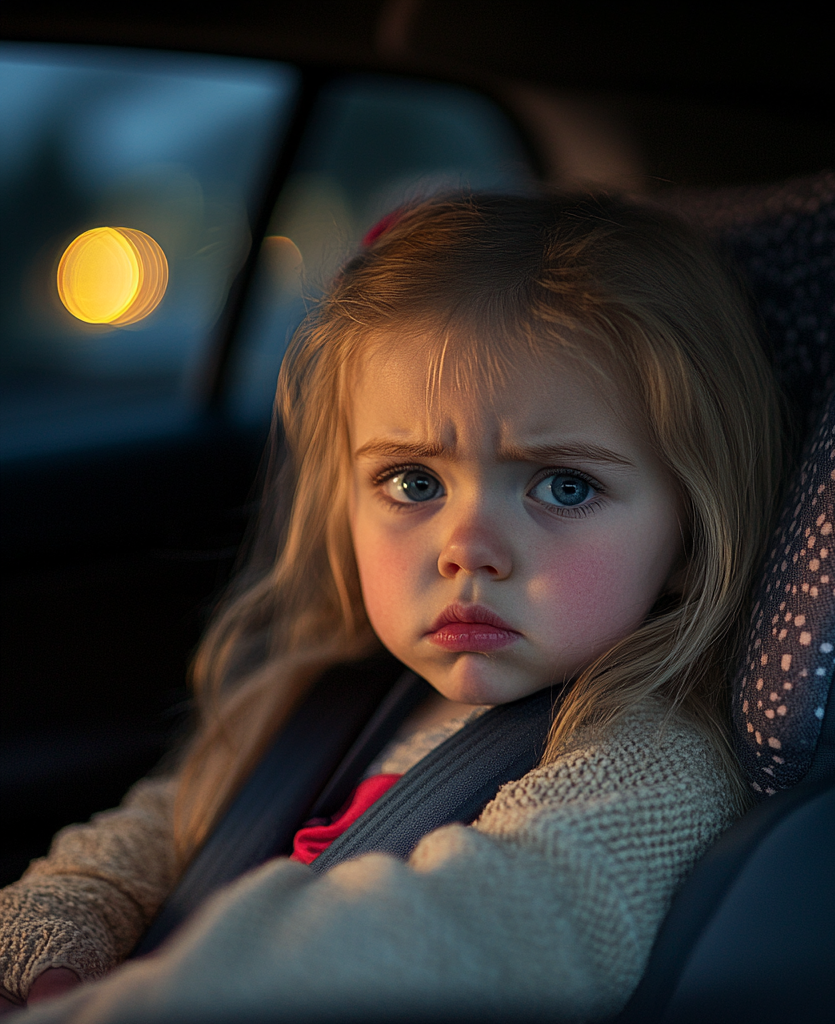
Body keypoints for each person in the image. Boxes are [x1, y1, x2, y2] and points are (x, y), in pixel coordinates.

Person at [0, 193, 784, 1022]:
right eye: (413, 482)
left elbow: (483, 932)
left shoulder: (647, 763)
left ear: (692, 537)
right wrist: (60, 925)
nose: (467, 547)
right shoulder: (333, 696)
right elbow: (155, 836)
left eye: (565, 486)